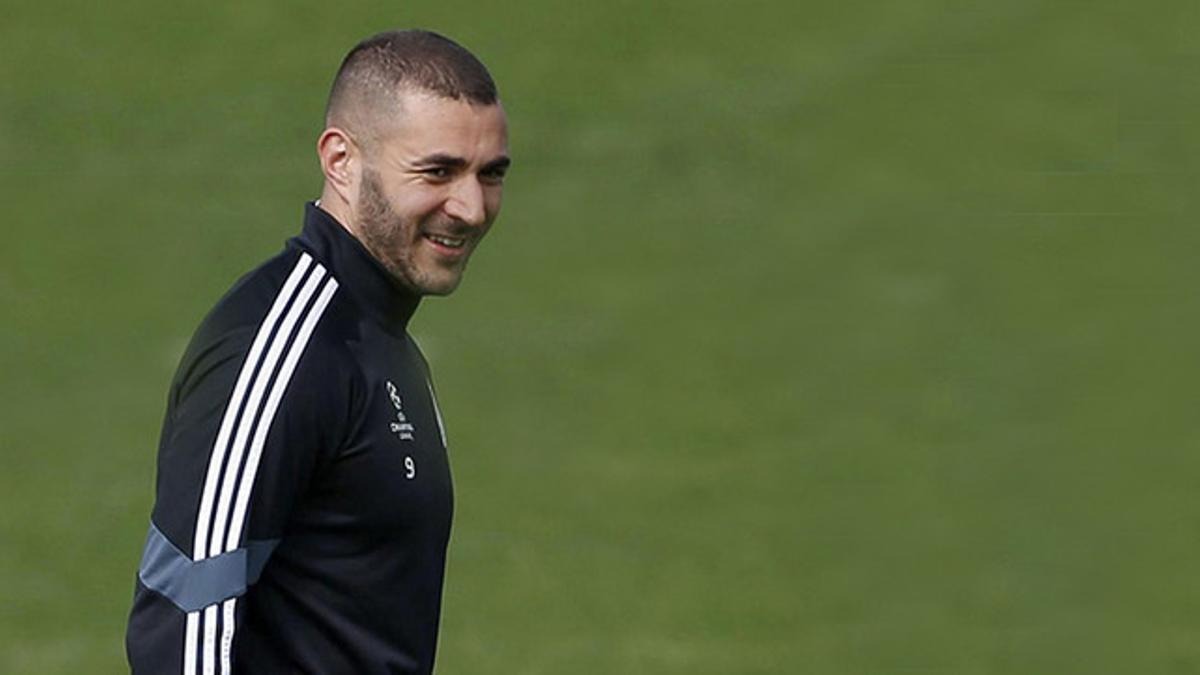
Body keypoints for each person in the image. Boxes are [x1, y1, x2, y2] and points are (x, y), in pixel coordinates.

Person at [126, 29, 510, 675]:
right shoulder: (284, 348)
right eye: (438, 171)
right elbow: (184, 626)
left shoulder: (382, 341)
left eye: (490, 173)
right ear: (341, 160)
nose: (470, 207)